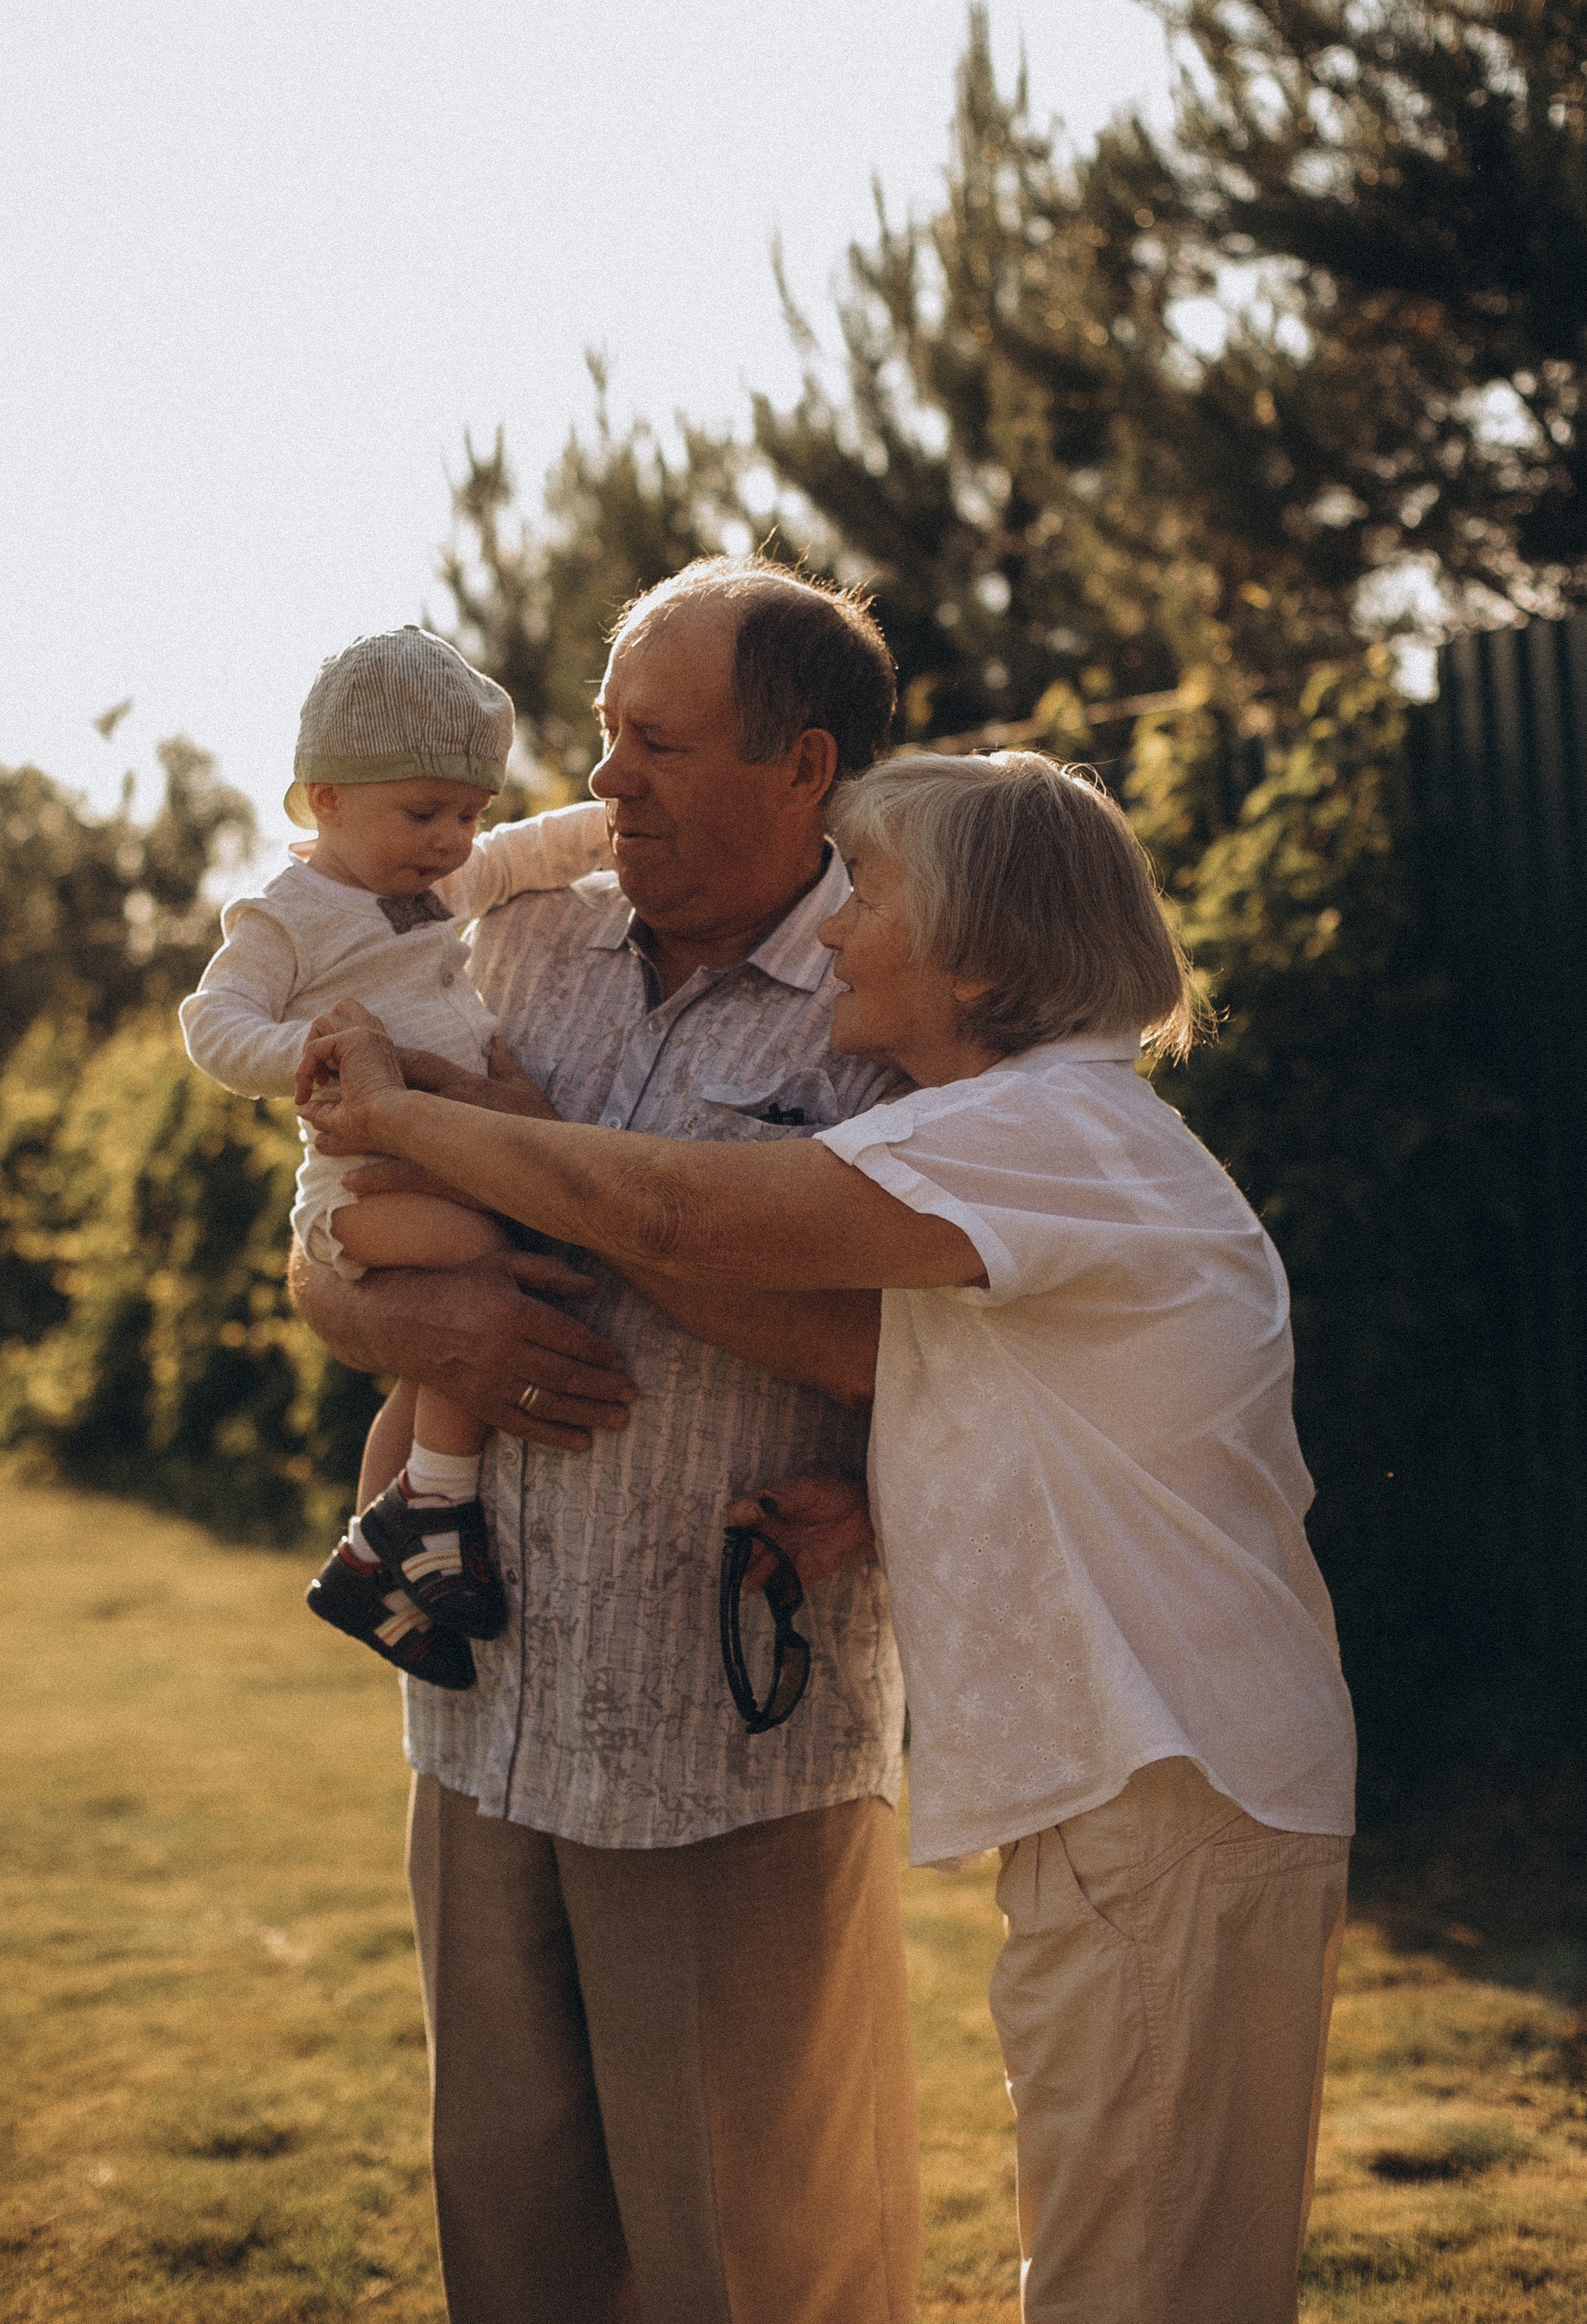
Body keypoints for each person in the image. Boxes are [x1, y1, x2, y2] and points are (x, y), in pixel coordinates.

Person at [299, 747, 1358, 2324]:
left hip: (1162, 1788)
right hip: (1148, 1793)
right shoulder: (1039, 1136)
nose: (841, 929)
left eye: (874, 894)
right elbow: (985, 1383)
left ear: (983, 954)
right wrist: (886, 1500)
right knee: (1125, 2263)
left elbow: (679, 1220)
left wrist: (403, 1118)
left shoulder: (1039, 1127)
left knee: (1135, 2289)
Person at [288, 561, 924, 2324]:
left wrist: (598, 1220)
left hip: (722, 1744)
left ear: (801, 769)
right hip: (477, 1716)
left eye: (652, 743)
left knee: (755, 2264)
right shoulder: (496, 938)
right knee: (516, 2253)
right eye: (600, 736)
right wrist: (424, 1324)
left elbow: (921, 1340)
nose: (605, 781)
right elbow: (320, 1246)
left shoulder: (901, 993)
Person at [180, 625, 612, 1685]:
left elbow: (526, 855)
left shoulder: (440, 883)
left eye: (467, 813)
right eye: (422, 813)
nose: (452, 840)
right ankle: (435, 1508)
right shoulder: (287, 915)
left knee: (428, 1361)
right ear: (325, 798)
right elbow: (213, 1026)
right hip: (356, 1187)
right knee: (478, 1261)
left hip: (439, 1158)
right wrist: (316, 1049)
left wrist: (614, 824)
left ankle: (374, 1560)